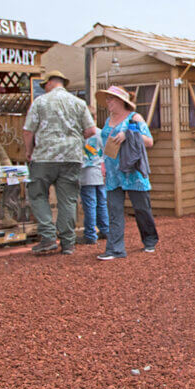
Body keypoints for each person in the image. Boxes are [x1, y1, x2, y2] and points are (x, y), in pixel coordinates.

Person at [23, 71, 97, 255]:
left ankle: (48, 237)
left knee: (37, 194)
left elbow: (28, 130)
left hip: (44, 157)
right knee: (68, 199)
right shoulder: (79, 103)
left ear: (49, 83)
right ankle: (68, 243)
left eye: (44, 85)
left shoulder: (40, 102)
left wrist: (29, 151)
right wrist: (75, 139)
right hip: (71, 157)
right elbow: (91, 130)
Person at [96, 86, 158, 260]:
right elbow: (105, 145)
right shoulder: (108, 120)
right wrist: (102, 162)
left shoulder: (135, 118)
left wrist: (128, 134)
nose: (108, 102)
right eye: (107, 99)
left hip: (133, 171)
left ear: (121, 101)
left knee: (142, 208)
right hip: (112, 172)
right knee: (114, 210)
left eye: (111, 99)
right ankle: (115, 249)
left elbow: (149, 141)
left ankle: (150, 240)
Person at [79, 107, 108, 245]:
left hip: (86, 171)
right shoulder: (100, 133)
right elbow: (106, 152)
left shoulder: (80, 135)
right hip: (100, 171)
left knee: (89, 204)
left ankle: (90, 234)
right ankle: (105, 230)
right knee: (102, 202)